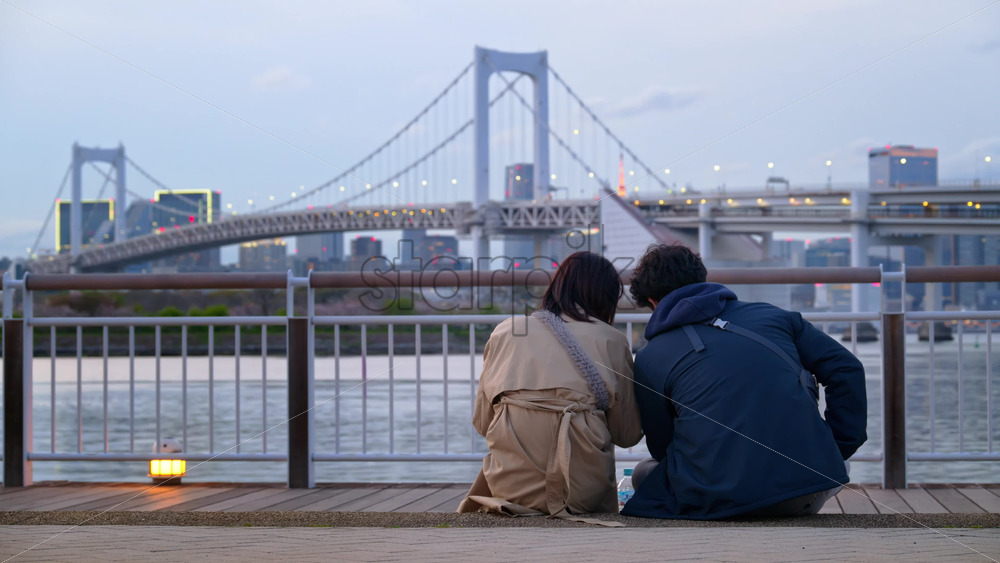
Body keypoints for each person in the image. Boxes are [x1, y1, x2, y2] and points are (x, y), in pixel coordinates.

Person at [621, 244, 867, 519]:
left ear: (653, 301)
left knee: (644, 472)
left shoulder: (650, 357)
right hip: (807, 489)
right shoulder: (776, 317)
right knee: (831, 461)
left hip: (717, 500)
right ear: (702, 280)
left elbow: (661, 446)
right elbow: (847, 369)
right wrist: (835, 446)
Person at [458, 252, 643, 521]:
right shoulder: (611, 340)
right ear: (607, 297)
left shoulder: (505, 331)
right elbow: (626, 435)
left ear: (556, 287)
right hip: (581, 494)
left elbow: (483, 423)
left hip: (509, 490)